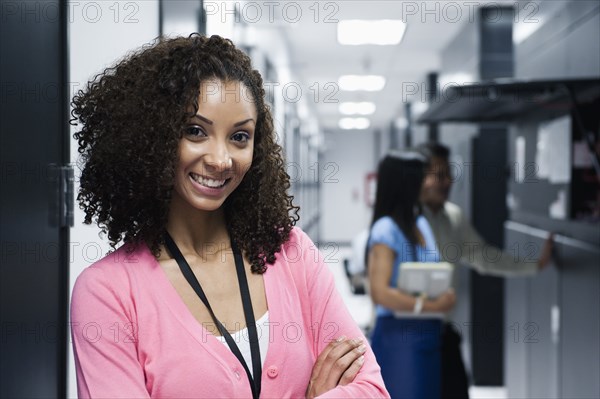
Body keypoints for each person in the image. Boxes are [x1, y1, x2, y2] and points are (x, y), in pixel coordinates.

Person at [69, 34, 389, 399]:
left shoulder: (290, 252)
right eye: (195, 131)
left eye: (239, 136)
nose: (221, 159)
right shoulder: (108, 294)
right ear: (151, 136)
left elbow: (371, 390)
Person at [416, 142, 554, 398]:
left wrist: (534, 265)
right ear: (419, 177)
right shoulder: (402, 221)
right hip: (408, 336)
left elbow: (484, 257)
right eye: (439, 175)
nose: (448, 181)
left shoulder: (453, 217)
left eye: (449, 174)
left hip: (443, 333)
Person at [367, 151, 457, 398]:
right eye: (424, 176)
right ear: (406, 182)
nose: (430, 182)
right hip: (399, 338)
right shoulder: (386, 229)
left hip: (428, 334)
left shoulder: (421, 225)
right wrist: (430, 304)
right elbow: (380, 292)